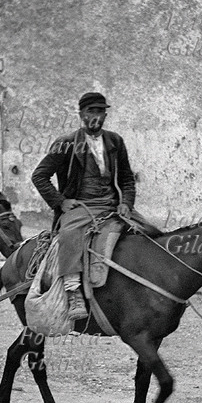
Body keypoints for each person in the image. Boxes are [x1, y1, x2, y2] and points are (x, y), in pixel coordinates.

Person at [31, 92, 136, 320]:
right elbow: (39, 175)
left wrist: (126, 203)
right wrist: (61, 201)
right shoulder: (66, 144)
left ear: (105, 115)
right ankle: (73, 292)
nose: (95, 116)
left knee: (147, 231)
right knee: (69, 235)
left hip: (112, 206)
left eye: (100, 111)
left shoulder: (115, 142)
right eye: (91, 111)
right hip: (81, 206)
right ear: (81, 115)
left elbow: (127, 178)